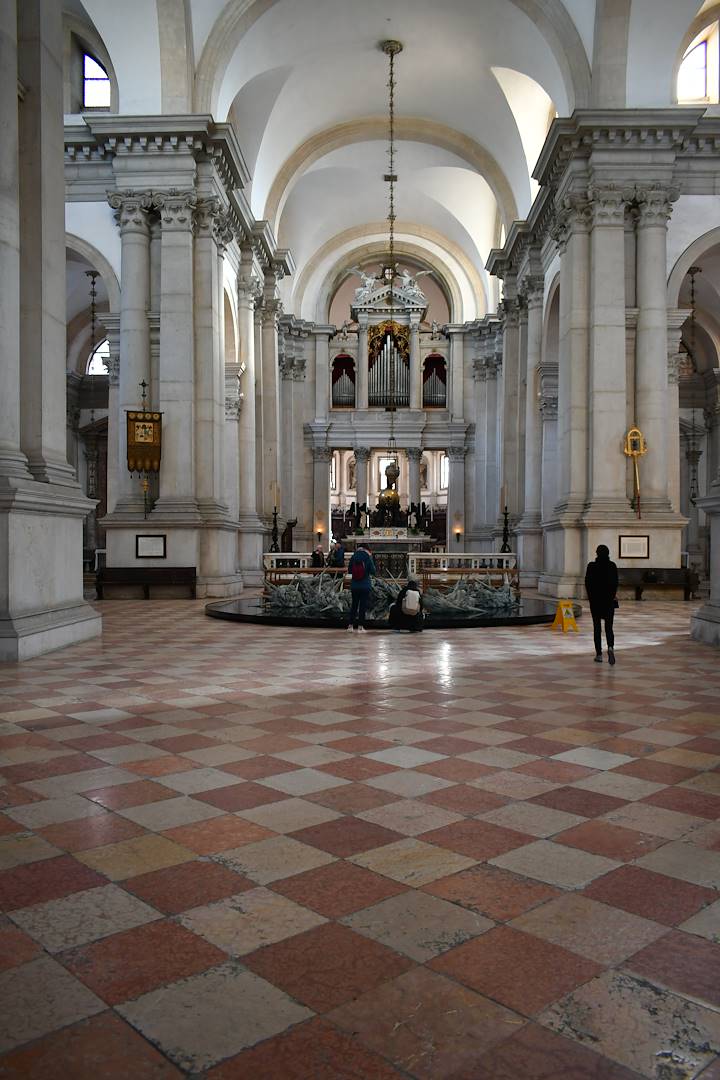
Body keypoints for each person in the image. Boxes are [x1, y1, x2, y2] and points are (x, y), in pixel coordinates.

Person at [585, 544, 619, 665]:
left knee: (597, 628)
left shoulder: (591, 566)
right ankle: (610, 647)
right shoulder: (612, 566)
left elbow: (587, 583)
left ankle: (599, 654)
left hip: (596, 602)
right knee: (609, 627)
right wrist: (612, 595)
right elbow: (615, 583)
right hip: (609, 601)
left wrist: (591, 598)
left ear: (597, 553)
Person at [346, 543, 376, 632]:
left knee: (354, 605)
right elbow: (373, 571)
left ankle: (350, 626)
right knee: (362, 606)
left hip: (355, 585)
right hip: (365, 584)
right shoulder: (367, 557)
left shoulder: (354, 556)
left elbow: (350, 570)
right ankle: (360, 627)